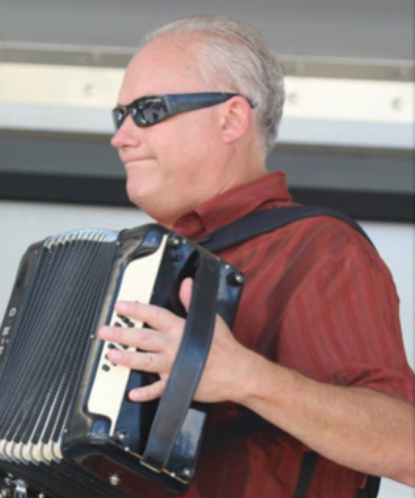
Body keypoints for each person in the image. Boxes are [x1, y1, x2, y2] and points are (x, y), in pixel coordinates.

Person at [98, 15, 415, 497]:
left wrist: (243, 376)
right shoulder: (135, 269)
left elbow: (408, 448)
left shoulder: (320, 249)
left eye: (147, 110)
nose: (122, 136)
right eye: (119, 116)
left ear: (231, 119)